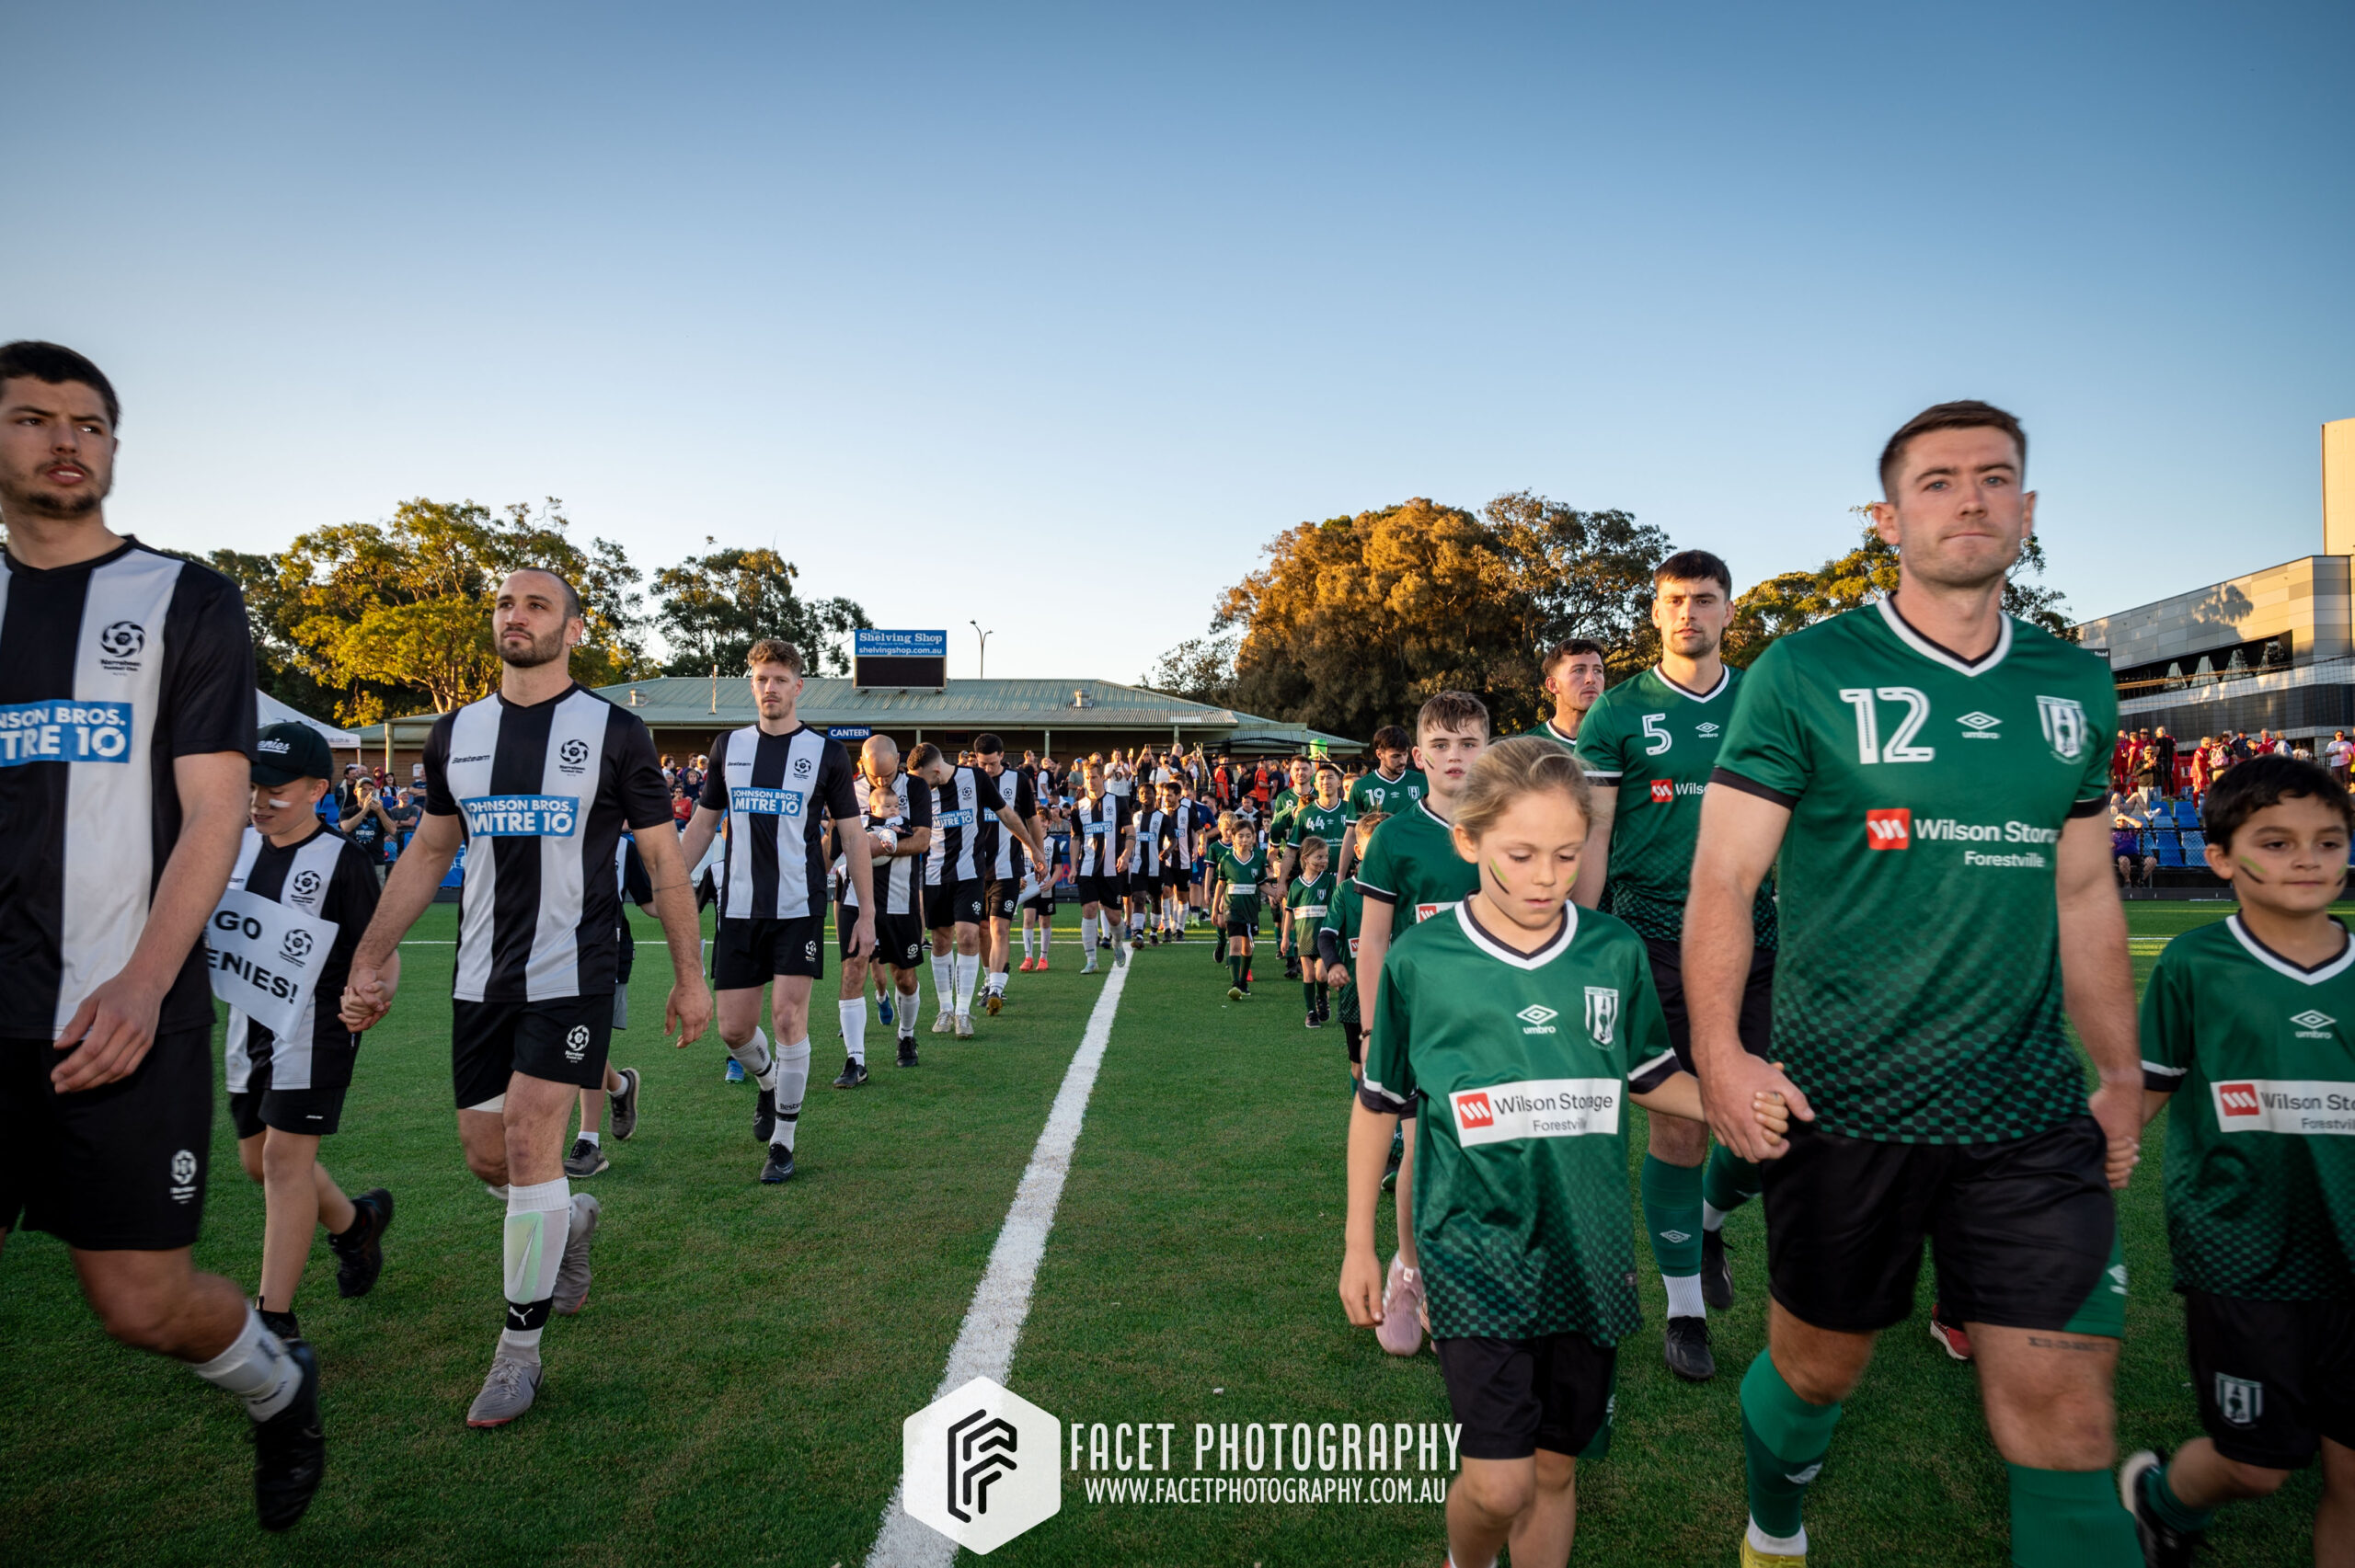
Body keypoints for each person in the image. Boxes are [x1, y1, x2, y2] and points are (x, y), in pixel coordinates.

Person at [1684, 401, 2141, 1566]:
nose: (1972, 499)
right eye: (1938, 482)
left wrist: (2120, 1073)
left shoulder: (2073, 686)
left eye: (1995, 479)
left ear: (2027, 511)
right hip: (1845, 1102)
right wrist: (1727, 1059)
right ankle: (1772, 1522)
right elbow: (1726, 882)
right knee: (1816, 1367)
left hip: (2028, 1111)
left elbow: (2085, 894)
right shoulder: (1807, 668)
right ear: (1888, 518)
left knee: (2069, 1416)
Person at [0, 341, 324, 1529]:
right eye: (33, 418)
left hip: (122, 1012)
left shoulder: (185, 600)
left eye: (89, 422)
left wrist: (142, 981)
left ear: (116, 450)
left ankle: (277, 1385)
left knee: (139, 1304)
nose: (64, 439)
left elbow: (215, 809)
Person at [1338, 738, 1791, 1568]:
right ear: (1469, 842)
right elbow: (1379, 1108)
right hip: (1471, 1252)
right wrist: (1360, 1247)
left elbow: (1654, 1078)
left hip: (1589, 1257)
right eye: (1521, 854)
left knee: (1554, 1469)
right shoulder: (1421, 961)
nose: (1547, 875)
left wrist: (1746, 1099)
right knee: (1498, 1485)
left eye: (1567, 853)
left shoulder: (1611, 950)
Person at [342, 567, 713, 1429]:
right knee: (490, 1158)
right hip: (478, 979)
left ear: (573, 629)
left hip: (572, 973)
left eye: (537, 604)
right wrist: (369, 956)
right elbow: (430, 851)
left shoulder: (616, 731)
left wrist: (691, 977)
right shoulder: (456, 732)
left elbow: (663, 863)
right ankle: (573, 1222)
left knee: (529, 1132)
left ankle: (518, 1353)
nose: (516, 615)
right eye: (506, 603)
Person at [2119, 754, 2355, 1564]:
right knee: (2256, 1467)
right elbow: (2141, 1094)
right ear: (2221, 856)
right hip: (2243, 1254)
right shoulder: (2194, 964)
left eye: (2329, 842)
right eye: (2278, 841)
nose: (2307, 859)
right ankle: (2159, 1499)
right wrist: (2069, 1177)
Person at [1572, 549, 1777, 1382]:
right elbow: (1592, 835)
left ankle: (1710, 1214)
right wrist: (1579, 942)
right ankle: (1685, 1309)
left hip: (1758, 939)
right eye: (1673, 600)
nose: (1688, 611)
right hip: (1651, 940)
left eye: (1705, 598)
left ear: (1731, 612)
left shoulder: (1768, 701)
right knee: (1681, 1122)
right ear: (1653, 615)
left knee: (1765, 1124)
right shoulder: (1617, 713)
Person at [224, 722, 398, 1347]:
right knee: (257, 1161)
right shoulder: (235, 846)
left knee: (282, 1160)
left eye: (276, 787)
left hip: (317, 1026)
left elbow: (382, 949)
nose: (259, 799)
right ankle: (357, 1225)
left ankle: (274, 1322)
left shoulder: (341, 861)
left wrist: (373, 991)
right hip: (249, 1023)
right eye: (254, 786)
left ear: (319, 788)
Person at [672, 640, 870, 1181]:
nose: (770, 688)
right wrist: (671, 884)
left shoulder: (827, 752)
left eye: (780, 679)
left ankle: (783, 1141)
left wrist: (867, 913)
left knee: (787, 1017)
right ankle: (766, 1085)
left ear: (798, 686)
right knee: (734, 1031)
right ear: (751, 683)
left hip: (798, 906)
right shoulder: (727, 746)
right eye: (761, 679)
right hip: (737, 909)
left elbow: (852, 836)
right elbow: (704, 824)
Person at [1353, 691, 1493, 1357]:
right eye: (1440, 745)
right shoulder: (1398, 836)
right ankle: (1412, 1271)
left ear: (1487, 750)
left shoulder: (1507, 824)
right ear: (1417, 757)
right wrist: (1374, 1032)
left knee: (1490, 1155)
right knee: (1422, 1150)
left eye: (1468, 743)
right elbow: (1374, 939)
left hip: (1495, 1023)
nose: (1455, 756)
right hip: (1418, 1025)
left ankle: (1470, 1276)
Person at [911, 740, 1050, 1036]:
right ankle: (945, 1009)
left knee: (970, 936)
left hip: (969, 873)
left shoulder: (975, 779)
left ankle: (962, 1012)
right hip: (934, 875)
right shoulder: (919, 789)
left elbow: (1008, 815)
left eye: (922, 779)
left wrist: (1034, 849)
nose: (920, 786)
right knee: (940, 941)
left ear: (936, 771)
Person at [831, 737, 932, 1079]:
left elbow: (921, 840)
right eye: (876, 777)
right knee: (853, 971)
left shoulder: (916, 788)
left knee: (904, 977)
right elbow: (833, 844)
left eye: (888, 775)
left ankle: (906, 1036)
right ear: (862, 763)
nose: (882, 783)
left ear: (899, 761)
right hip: (854, 900)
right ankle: (855, 1060)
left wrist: (874, 847)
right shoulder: (846, 789)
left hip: (900, 899)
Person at [564, 834, 649, 1177]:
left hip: (605, 951)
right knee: (566, 1040)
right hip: (550, 948)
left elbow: (650, 901)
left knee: (585, 1043)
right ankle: (620, 1086)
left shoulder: (623, 846)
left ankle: (589, 1142)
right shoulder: (550, 828)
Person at [971, 733, 1044, 1010]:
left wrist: (1038, 856)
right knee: (980, 931)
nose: (987, 770)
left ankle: (997, 990)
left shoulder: (1020, 781)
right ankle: (989, 980)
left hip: (1007, 868)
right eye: (982, 764)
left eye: (991, 763)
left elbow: (1032, 820)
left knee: (999, 927)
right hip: (974, 870)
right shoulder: (971, 780)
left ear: (1002, 756)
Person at [1318, 811, 1387, 1083]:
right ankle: (1364, 1123)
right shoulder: (1346, 891)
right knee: (1360, 1068)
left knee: (1400, 1065)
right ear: (1358, 851)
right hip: (1356, 993)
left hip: (1398, 989)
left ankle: (1396, 1126)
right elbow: (1326, 935)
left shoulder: (1406, 889)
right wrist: (1334, 964)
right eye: (1375, 847)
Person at [1065, 757, 1133, 976]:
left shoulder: (1119, 802)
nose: (1091, 781)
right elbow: (1075, 839)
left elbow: (1131, 833)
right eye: (1087, 778)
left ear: (1102, 778)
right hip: (1087, 867)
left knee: (1114, 918)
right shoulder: (1078, 807)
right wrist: (1074, 866)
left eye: (1094, 777)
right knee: (1089, 910)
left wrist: (1126, 854)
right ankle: (1091, 960)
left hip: (1112, 868)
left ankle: (1117, 943)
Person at [1343, 726, 1427, 880]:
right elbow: (1351, 833)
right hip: (1377, 867)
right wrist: (1340, 877)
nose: (1402, 761)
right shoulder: (1362, 786)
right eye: (1395, 756)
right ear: (1379, 754)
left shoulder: (1422, 782)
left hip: (1417, 865)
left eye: (1404, 754)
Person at [1212, 818, 1273, 1001]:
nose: (1244, 840)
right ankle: (1236, 983)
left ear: (1254, 837)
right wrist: (1216, 908)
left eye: (1248, 836)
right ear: (1233, 837)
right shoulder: (1227, 859)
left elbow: (1262, 884)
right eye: (1241, 836)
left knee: (1247, 947)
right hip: (1232, 908)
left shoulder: (1258, 859)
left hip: (1251, 909)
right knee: (1236, 944)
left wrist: (1276, 893)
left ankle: (1244, 980)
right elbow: (1221, 884)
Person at [1283, 835, 1337, 1026]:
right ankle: (1311, 1012)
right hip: (1304, 936)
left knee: (1322, 975)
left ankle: (1322, 999)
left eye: (1326, 857)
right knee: (1308, 975)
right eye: (1319, 857)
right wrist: (1284, 938)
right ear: (1305, 858)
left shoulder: (1329, 881)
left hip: (1324, 937)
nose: (1324, 861)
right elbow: (1289, 912)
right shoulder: (1297, 885)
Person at [1523, 637, 1608, 750]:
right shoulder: (1523, 749)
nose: (1591, 679)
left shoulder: (1625, 743)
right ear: (1553, 685)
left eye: (1597, 670)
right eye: (1579, 670)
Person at [2112, 815, 2155, 891]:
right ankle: (2127, 881)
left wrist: (2124, 817)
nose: (2122, 822)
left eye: (2124, 821)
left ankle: (2139, 882)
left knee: (2152, 861)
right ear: (2116, 822)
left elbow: (2139, 825)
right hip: (2119, 856)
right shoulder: (2112, 833)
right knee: (2124, 860)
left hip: (2134, 856)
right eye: (2119, 820)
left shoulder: (2131, 832)